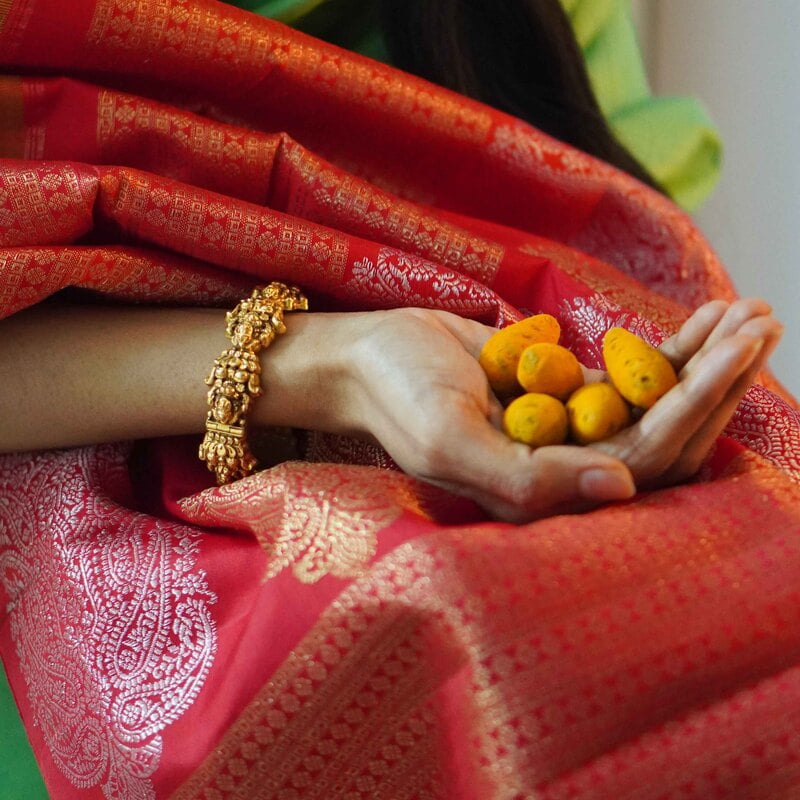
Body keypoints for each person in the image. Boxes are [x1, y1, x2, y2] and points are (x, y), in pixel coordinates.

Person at [0, 0, 798, 798]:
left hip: (483, 401)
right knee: (449, 619)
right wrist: (334, 361)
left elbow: (603, 220)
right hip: (74, 507)